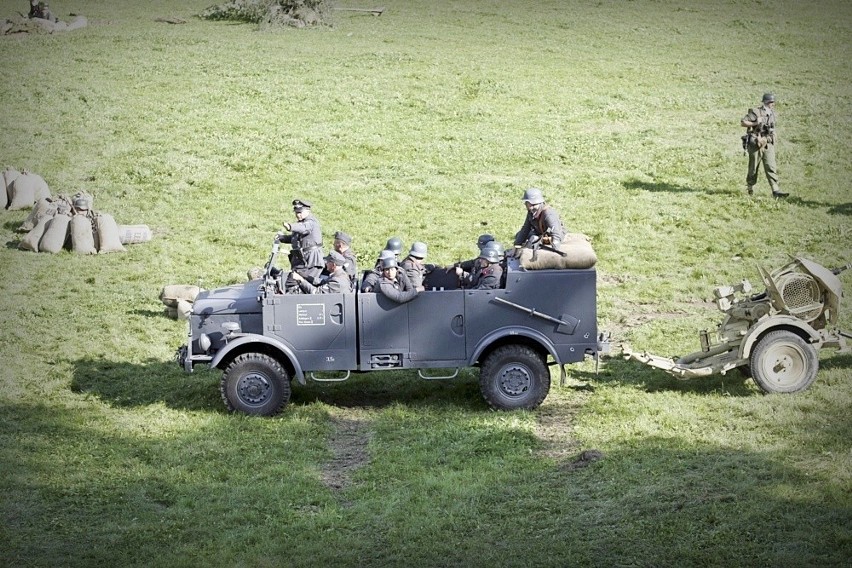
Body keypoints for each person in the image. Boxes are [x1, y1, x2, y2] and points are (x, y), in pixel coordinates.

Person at [741, 93, 788, 198]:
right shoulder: (756, 112)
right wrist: (755, 123)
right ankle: (750, 188)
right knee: (753, 168)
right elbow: (743, 122)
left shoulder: (772, 113)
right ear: (766, 102)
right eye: (771, 102)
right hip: (755, 142)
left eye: (773, 102)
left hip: (767, 141)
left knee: (771, 166)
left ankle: (775, 191)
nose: (773, 104)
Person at [276, 199, 324, 290]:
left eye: (300, 212)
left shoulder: (311, 222)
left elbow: (303, 228)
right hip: (303, 260)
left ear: (307, 211)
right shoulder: (301, 223)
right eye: (296, 212)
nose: (298, 215)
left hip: (311, 261)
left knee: (297, 283)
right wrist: (283, 238)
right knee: (292, 282)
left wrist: (291, 227)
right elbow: (295, 238)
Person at [512, 188, 566, 255]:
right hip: (540, 233)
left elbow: (556, 234)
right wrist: (516, 245)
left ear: (532, 203)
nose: (525, 204)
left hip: (553, 235)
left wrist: (554, 250)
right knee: (519, 235)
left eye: (526, 202)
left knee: (534, 239)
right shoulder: (531, 212)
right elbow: (525, 229)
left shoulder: (548, 214)